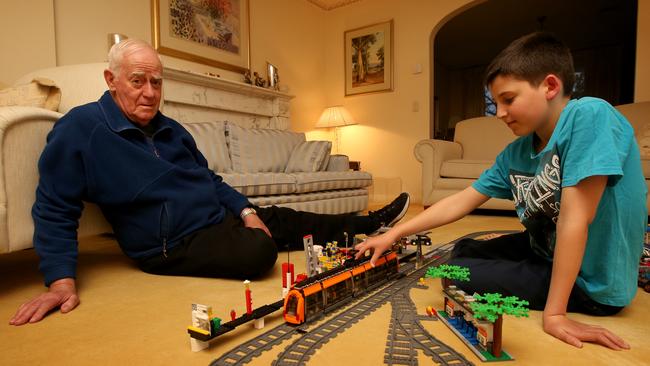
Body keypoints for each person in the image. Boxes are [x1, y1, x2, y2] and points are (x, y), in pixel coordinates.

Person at [9, 39, 410, 326]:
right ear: (111, 79)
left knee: (282, 218)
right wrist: (60, 279)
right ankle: (272, 234)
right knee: (259, 253)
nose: (149, 93)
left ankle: (370, 225)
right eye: (137, 81)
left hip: (215, 218)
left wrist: (246, 210)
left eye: (157, 82)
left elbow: (210, 179)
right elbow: (54, 206)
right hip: (169, 245)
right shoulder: (80, 129)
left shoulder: (172, 130)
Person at [356, 32, 646, 350]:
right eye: (495, 103)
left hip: (590, 283)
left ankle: (550, 293)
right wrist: (393, 234)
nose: (499, 113)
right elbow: (462, 199)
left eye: (508, 99)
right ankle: (523, 272)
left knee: (457, 275)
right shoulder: (516, 152)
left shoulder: (589, 116)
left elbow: (574, 219)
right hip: (545, 252)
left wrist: (556, 314)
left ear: (550, 86)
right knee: (464, 248)